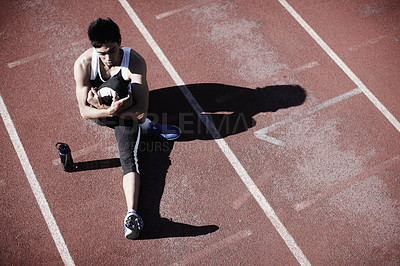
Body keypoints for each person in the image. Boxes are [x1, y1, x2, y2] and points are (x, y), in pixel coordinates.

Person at [74, 17, 179, 239]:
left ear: (120, 42)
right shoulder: (83, 64)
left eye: (112, 50)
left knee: (129, 158)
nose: (108, 57)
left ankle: (131, 214)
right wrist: (107, 111)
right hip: (106, 114)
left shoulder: (135, 61)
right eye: (101, 53)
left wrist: (114, 109)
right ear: (93, 48)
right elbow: (84, 112)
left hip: (129, 113)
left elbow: (140, 110)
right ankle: (149, 128)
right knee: (113, 110)